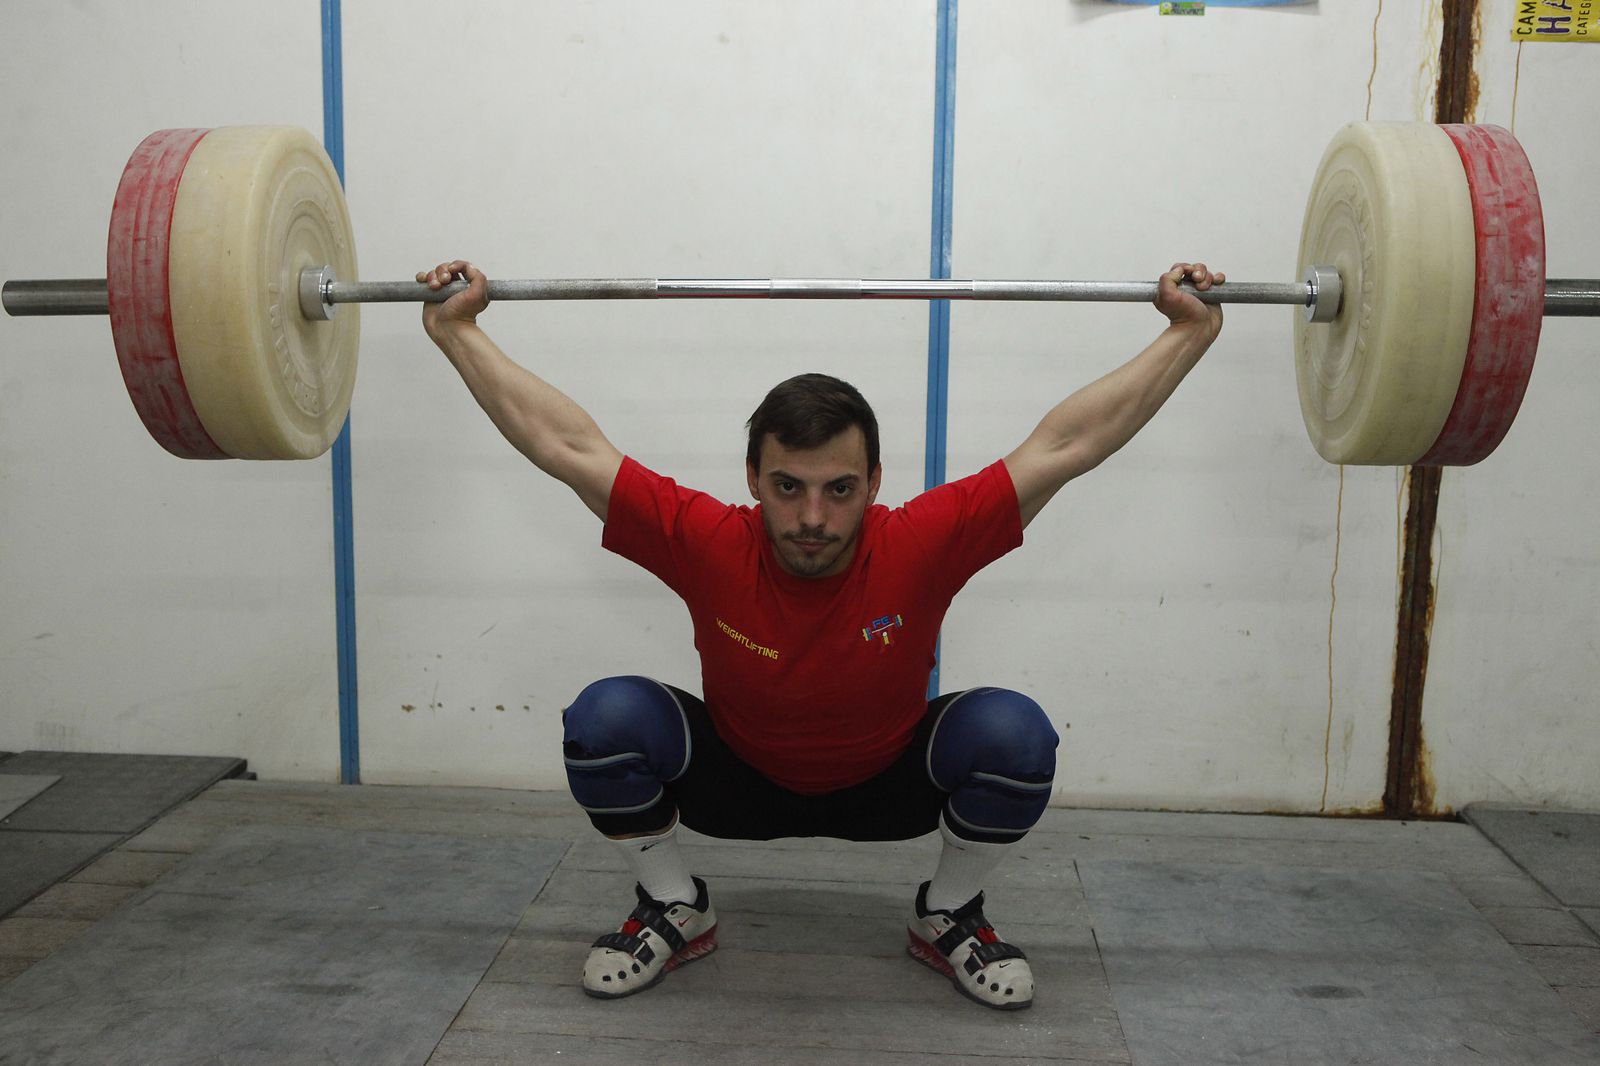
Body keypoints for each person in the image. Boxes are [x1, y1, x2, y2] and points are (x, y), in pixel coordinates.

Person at [418, 258, 1225, 1010]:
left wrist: (1185, 334)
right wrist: (460, 332)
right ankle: (674, 902)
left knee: (1012, 733)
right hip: (735, 779)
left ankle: (946, 913)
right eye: (788, 487)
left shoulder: (919, 542)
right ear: (753, 480)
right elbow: (566, 446)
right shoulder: (707, 540)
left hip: (890, 785)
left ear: (874, 482)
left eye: (840, 489)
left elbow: (1067, 445)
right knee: (605, 720)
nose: (812, 518)